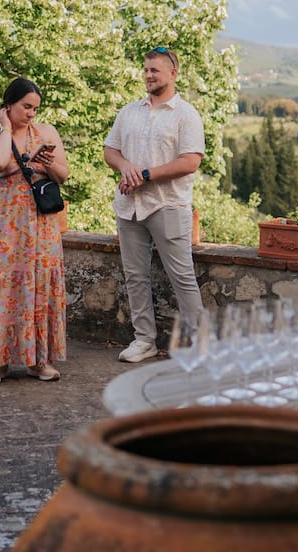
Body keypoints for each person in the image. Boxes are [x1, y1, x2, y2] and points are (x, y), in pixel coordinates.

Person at [104, 47, 205, 363]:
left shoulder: (185, 114)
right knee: (135, 276)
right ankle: (144, 340)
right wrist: (125, 168)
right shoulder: (129, 111)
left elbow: (190, 161)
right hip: (129, 206)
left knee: (182, 276)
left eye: (155, 70)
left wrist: (144, 174)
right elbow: (110, 151)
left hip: (168, 205)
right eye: (146, 69)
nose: (148, 75)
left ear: (173, 73)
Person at [0, 77, 69, 384]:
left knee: (39, 283)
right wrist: (5, 127)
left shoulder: (47, 133)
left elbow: (63, 175)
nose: (31, 114)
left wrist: (49, 163)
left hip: (41, 222)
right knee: (3, 285)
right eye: (25, 107)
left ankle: (38, 360)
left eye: (35, 108)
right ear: (9, 105)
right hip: (6, 221)